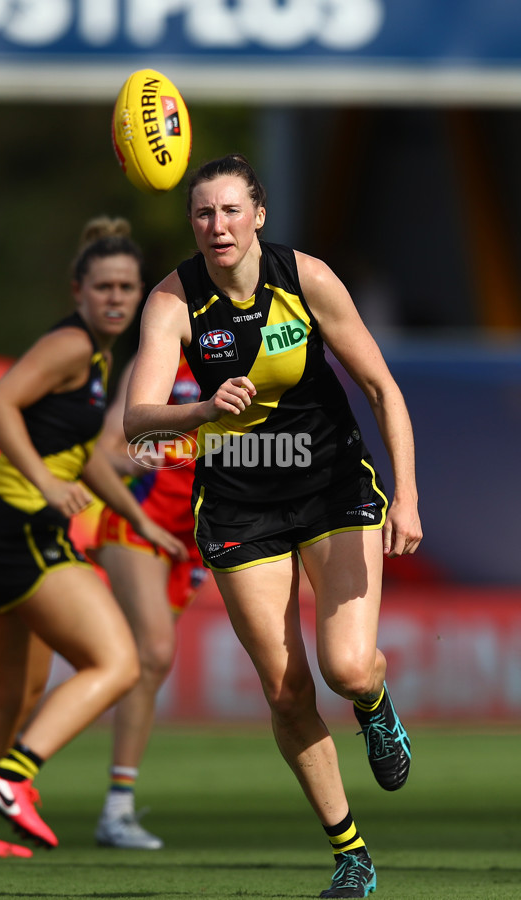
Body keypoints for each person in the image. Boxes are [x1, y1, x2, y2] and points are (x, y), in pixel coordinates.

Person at [123, 154, 422, 898]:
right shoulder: (173, 301)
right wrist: (199, 408)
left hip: (331, 487)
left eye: (230, 211)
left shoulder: (307, 277)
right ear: (192, 224)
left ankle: (375, 707)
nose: (216, 226)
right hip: (237, 505)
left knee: (347, 669)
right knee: (287, 692)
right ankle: (350, 854)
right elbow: (136, 424)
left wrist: (409, 497)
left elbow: (383, 389)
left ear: (258, 215)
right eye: (202, 214)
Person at [0, 216, 187, 860]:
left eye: (127, 288)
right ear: (78, 291)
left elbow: (85, 452)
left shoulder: (98, 356)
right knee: (119, 662)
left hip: (1, 533)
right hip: (21, 531)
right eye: (103, 287)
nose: (117, 299)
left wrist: (139, 521)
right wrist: (46, 484)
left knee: (14, 695)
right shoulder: (74, 346)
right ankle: (13, 777)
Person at [89, 349, 207, 849]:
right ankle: (116, 809)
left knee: (128, 665)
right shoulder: (161, 358)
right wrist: (145, 459)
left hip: (203, 535)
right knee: (153, 652)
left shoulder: (257, 351)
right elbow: (104, 448)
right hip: (140, 522)